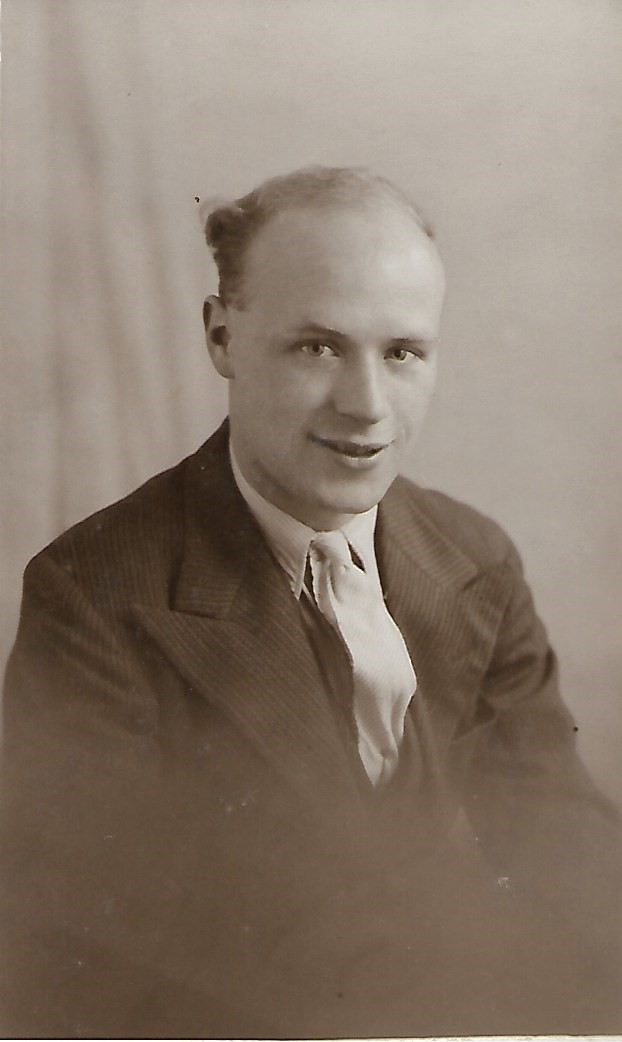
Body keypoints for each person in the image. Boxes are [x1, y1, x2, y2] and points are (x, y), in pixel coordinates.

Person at [1, 165, 620, 1038]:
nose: (366, 407)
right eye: (318, 347)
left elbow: (569, 861)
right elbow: (105, 955)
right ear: (222, 337)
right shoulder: (96, 595)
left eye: (402, 353)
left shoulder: (475, 561)